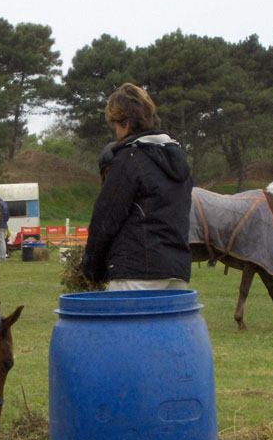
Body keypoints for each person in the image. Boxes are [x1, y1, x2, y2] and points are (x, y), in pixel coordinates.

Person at [81, 83, 192, 290]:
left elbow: (106, 218)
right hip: (176, 272)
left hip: (135, 271)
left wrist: (91, 268)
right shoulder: (177, 160)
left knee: (127, 324)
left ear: (127, 123)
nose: (116, 134)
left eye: (116, 126)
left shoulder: (129, 158)